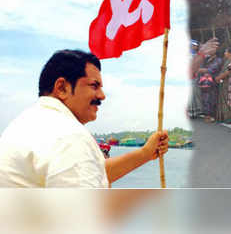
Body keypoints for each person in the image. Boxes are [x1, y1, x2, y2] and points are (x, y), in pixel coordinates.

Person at [0, 50, 169, 188]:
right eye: (94, 86)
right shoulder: (70, 136)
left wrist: (145, 154)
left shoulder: (25, 124)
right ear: (62, 88)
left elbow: (92, 172)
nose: (102, 96)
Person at [198, 48, 223, 123]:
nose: (209, 50)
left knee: (212, 99)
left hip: (212, 82)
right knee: (205, 99)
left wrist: (201, 70)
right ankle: (207, 115)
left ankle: (211, 116)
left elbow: (211, 69)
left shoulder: (218, 60)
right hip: (204, 82)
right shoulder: (207, 59)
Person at [215, 47, 231, 124]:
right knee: (223, 99)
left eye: (226, 52)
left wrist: (219, 77)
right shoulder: (226, 61)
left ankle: (229, 117)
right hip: (224, 82)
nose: (224, 53)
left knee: (228, 99)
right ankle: (224, 116)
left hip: (229, 83)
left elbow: (227, 72)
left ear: (230, 53)